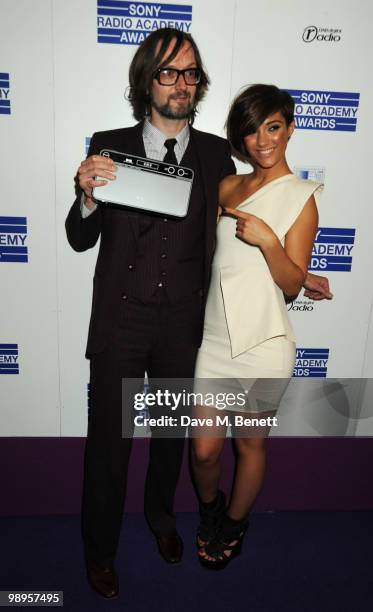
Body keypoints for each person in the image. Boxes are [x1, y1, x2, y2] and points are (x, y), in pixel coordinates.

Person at [66, 29, 331, 597]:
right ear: (146, 81)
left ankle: (163, 522)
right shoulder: (108, 144)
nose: (181, 84)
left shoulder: (216, 154)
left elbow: (256, 218)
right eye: (168, 73)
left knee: (169, 443)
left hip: (185, 329)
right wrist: (87, 196)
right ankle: (100, 552)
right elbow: (79, 238)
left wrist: (298, 271)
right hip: (120, 322)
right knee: (110, 447)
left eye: (190, 73)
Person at [191, 84, 326, 570]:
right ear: (241, 137)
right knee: (204, 451)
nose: (262, 140)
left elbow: (288, 285)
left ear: (290, 128)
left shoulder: (302, 198)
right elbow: (210, 257)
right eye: (252, 130)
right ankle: (210, 511)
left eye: (273, 127)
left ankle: (233, 523)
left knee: (251, 443)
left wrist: (270, 242)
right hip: (215, 339)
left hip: (265, 343)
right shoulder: (228, 187)